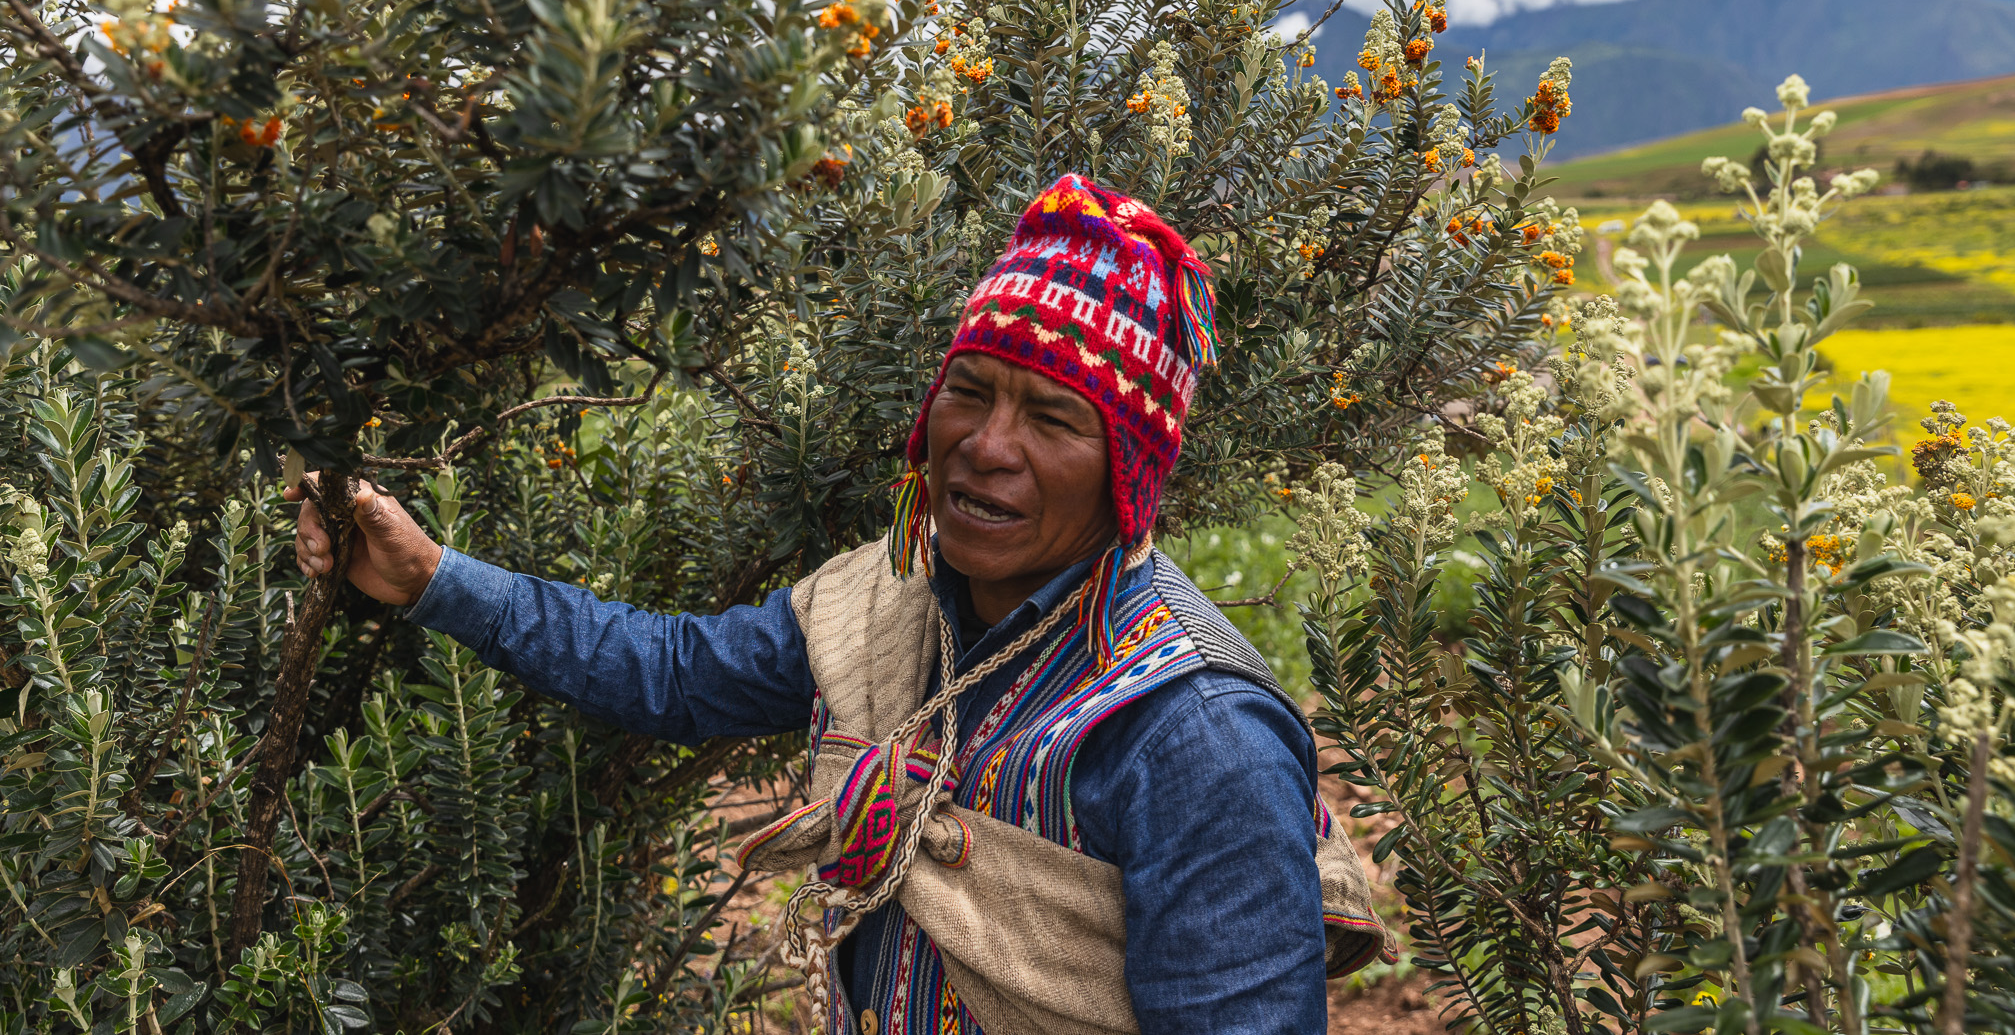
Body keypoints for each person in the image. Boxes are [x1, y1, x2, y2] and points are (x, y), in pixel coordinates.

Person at [294, 174, 1387, 1034]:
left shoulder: (1192, 739)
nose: (986, 445)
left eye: (1053, 418)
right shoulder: (888, 607)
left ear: (1130, 474)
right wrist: (431, 579)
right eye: (968, 390)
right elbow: (672, 674)